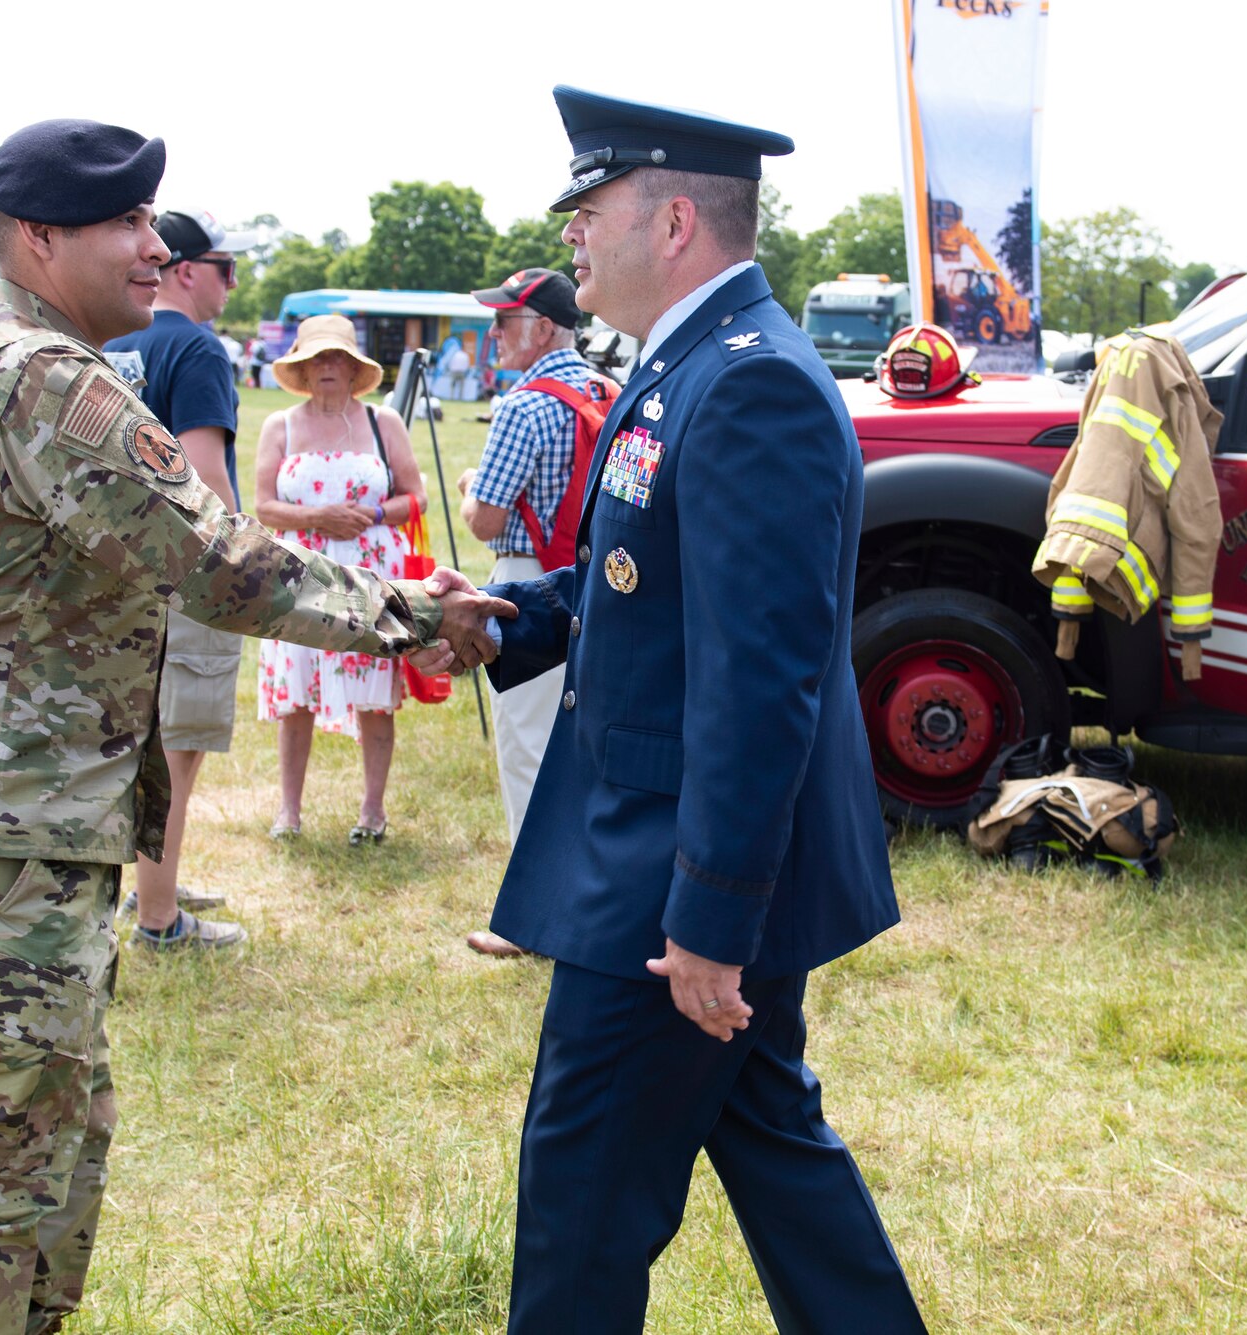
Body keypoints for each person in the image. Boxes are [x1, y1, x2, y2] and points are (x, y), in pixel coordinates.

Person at [0, 116, 509, 1335]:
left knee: (46, 1152)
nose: (156, 249)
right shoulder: (45, 382)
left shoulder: (40, 363)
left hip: (22, 830)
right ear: (40, 239)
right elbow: (218, 563)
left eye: (154, 221)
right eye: (126, 223)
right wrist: (410, 612)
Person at [476, 86, 926, 1332]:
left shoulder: (744, 383)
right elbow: (652, 585)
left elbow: (759, 675)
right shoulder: (690, 358)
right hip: (672, 850)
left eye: (590, 206)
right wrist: (513, 614)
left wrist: (712, 923)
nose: (571, 233)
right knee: (777, 1153)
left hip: (671, 876)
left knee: (580, 1201)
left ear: (670, 219)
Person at [101, 209, 258, 951]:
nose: (232, 283)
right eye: (227, 268)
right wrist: (244, 567)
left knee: (137, 743)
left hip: (113, 572)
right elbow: (204, 483)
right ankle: (159, 919)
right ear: (188, 271)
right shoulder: (196, 347)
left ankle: (150, 883)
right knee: (176, 749)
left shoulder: (110, 337)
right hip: (182, 577)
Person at [454, 266, 596, 958]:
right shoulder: (607, 390)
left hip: (528, 587)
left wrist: (467, 493)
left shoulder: (523, 404)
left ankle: (536, 919)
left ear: (542, 328)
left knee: (529, 751)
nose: (493, 334)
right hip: (601, 585)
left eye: (504, 321)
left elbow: (484, 521)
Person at [254, 315, 428, 844]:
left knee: (375, 691)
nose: (327, 367)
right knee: (296, 692)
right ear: (302, 370)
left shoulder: (383, 423)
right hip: (299, 575)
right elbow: (262, 506)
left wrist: (372, 515)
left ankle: (373, 811)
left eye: (337, 358)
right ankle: (289, 811)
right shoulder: (280, 425)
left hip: (371, 573)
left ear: (355, 369)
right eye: (316, 359)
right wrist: (317, 518)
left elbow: (415, 497)